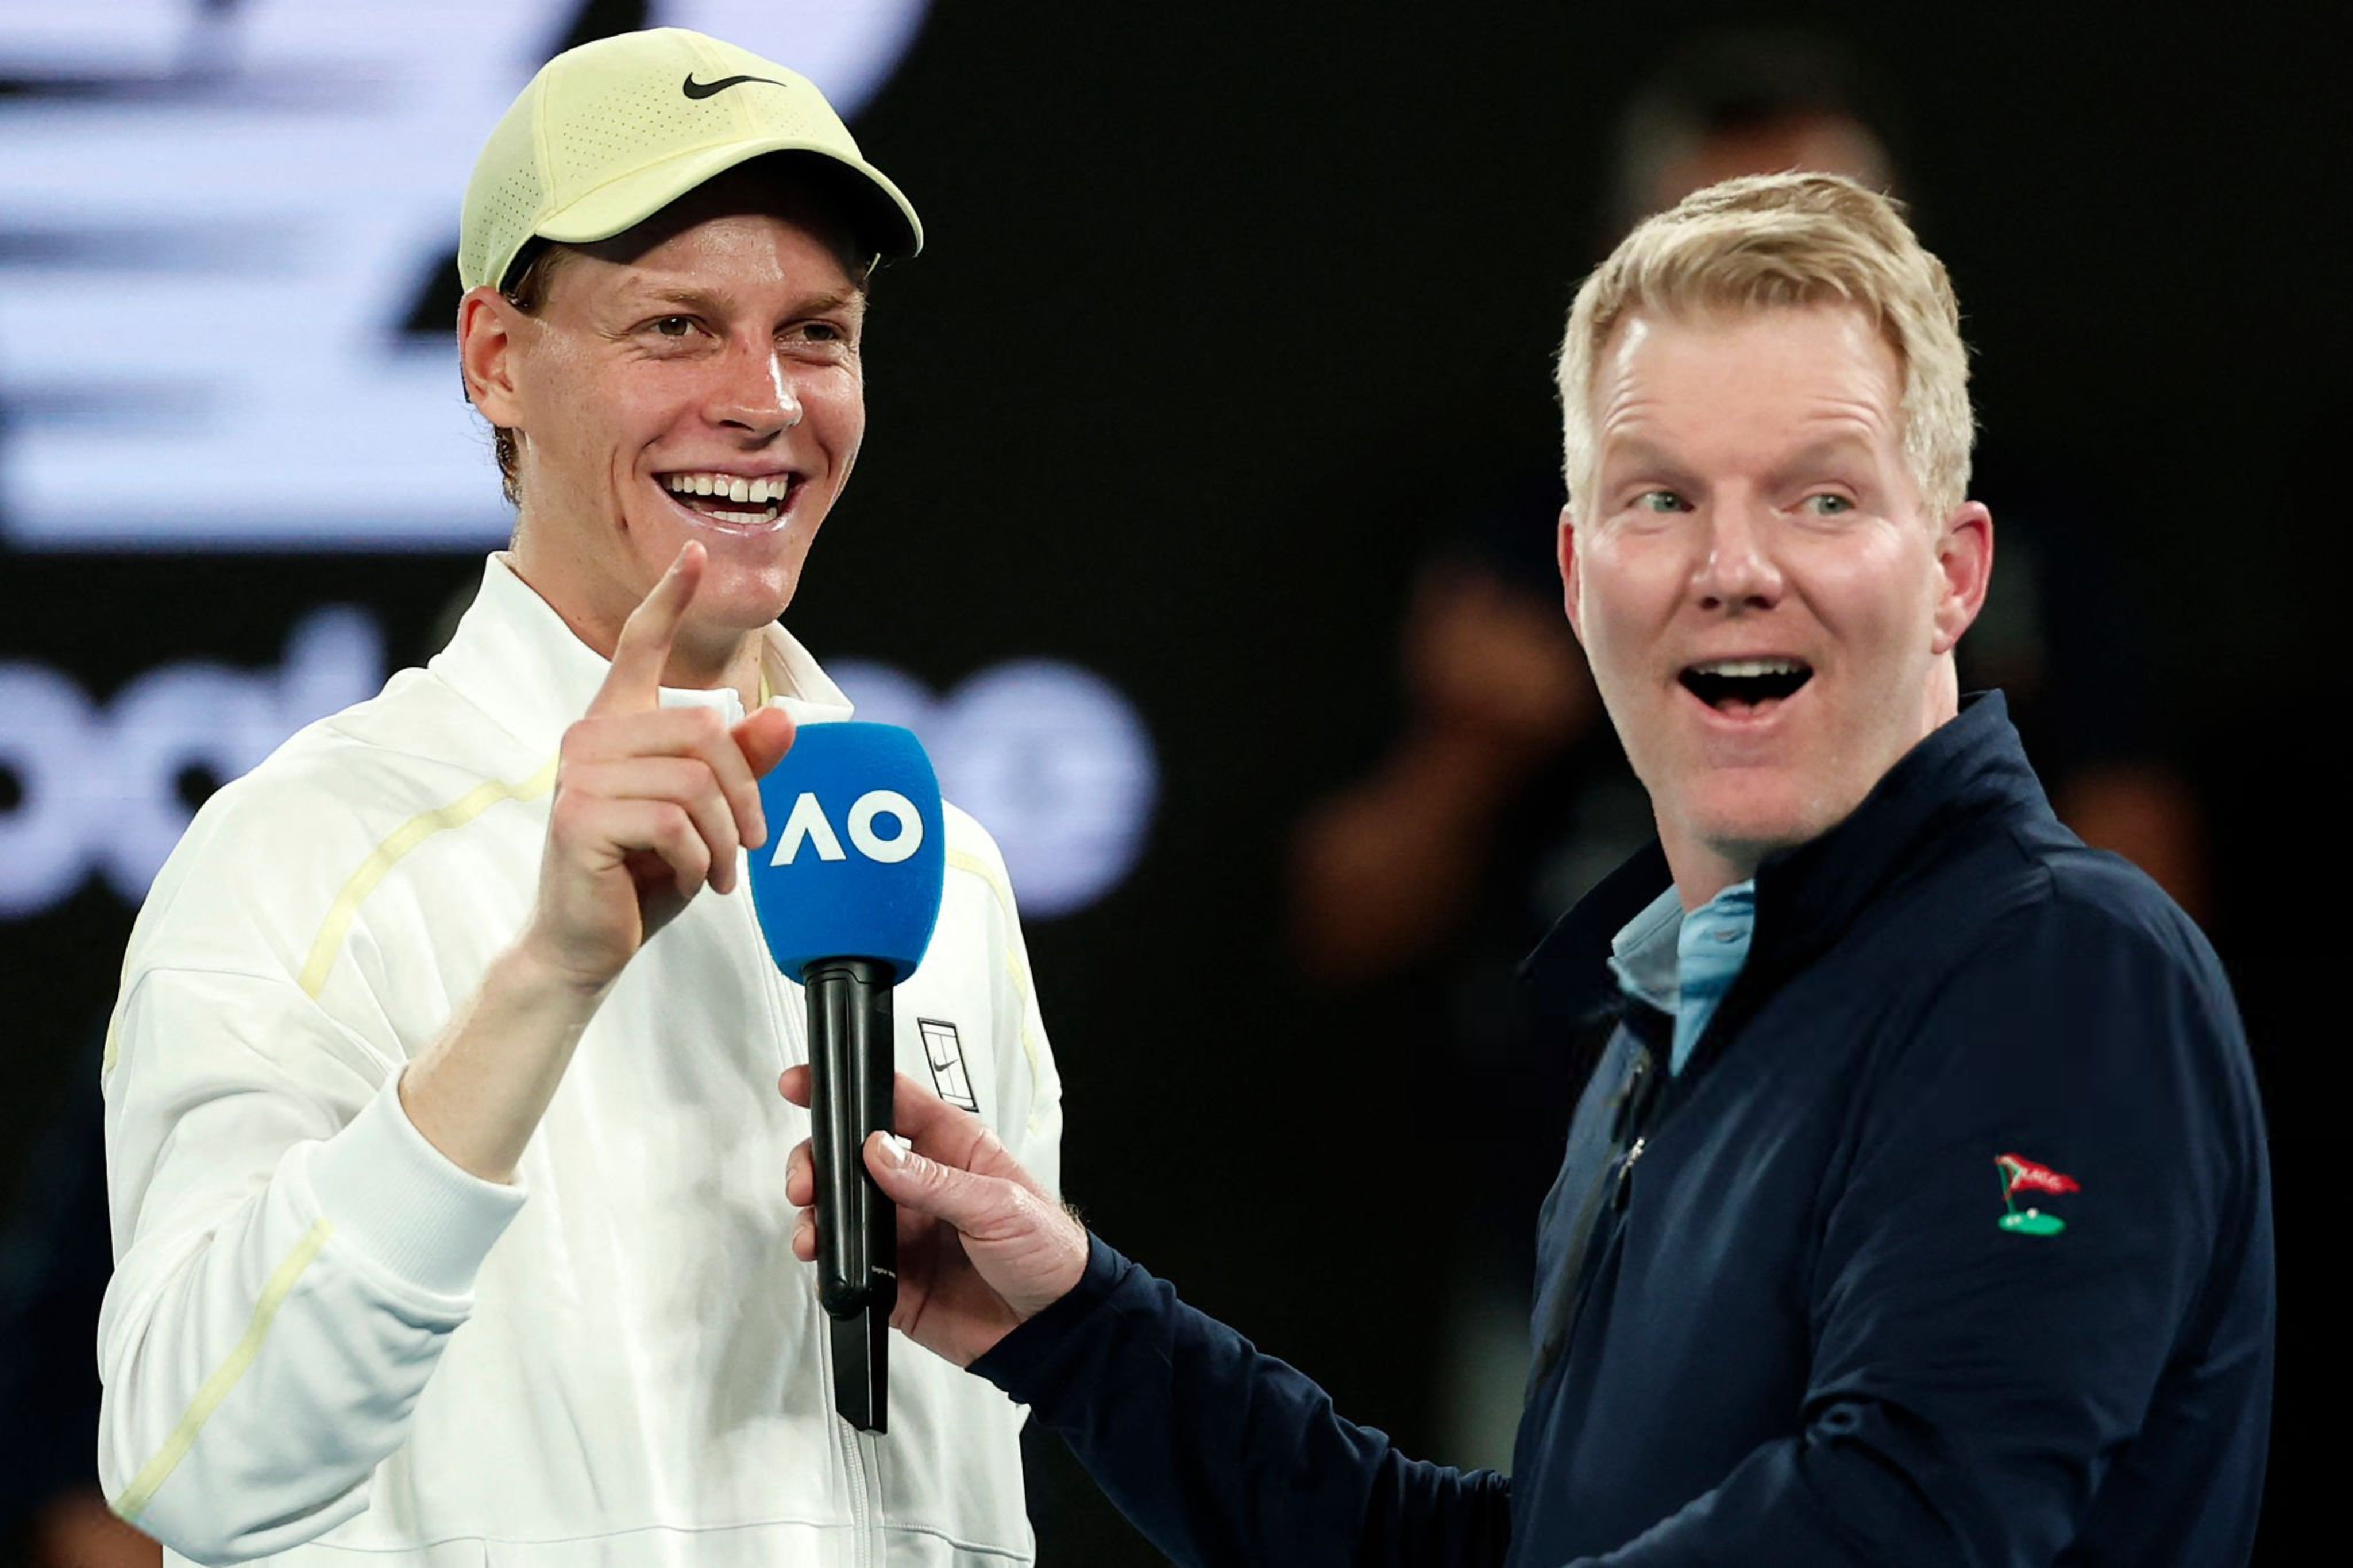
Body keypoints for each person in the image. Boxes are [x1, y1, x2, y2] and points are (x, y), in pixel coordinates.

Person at [786, 173, 2273, 1565]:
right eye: (1662, 497)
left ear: (1955, 573)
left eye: (1822, 497)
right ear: (1576, 578)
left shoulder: (2063, 968)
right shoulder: (1670, 1026)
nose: (1733, 562)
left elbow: (1907, 1520)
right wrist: (1075, 1322)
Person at [97, 28, 1062, 1566]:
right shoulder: (297, 854)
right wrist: (547, 975)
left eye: (818, 332)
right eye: (676, 327)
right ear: (493, 358)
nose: (764, 401)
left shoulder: (936, 862)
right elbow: (200, 1456)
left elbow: (975, 1488)